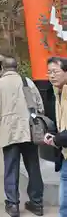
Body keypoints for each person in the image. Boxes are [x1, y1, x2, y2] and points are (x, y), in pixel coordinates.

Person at [0, 57, 44, 217]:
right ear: (17, 67)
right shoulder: (27, 82)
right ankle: (37, 203)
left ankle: (13, 205)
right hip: (29, 131)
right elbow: (39, 105)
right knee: (33, 166)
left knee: (11, 167)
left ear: (3, 68)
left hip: (8, 131)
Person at [43, 57, 67, 216]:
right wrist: (53, 135)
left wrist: (57, 139)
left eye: (56, 71)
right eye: (49, 72)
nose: (52, 75)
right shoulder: (58, 93)